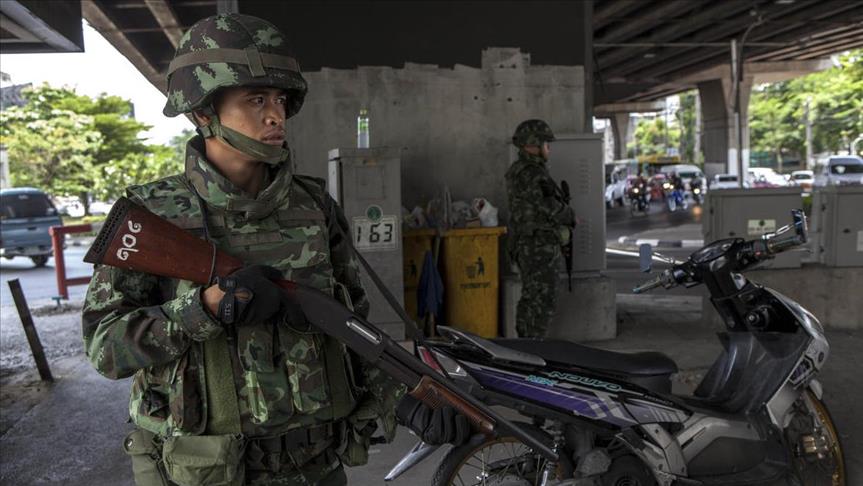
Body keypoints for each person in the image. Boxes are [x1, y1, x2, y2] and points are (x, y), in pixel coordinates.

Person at [82, 14, 465, 486]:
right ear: (203, 112)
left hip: (317, 464)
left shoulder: (314, 206)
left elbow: (350, 323)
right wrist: (206, 309)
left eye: (281, 99)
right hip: (209, 471)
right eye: (256, 99)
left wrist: (403, 397)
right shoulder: (152, 215)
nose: (275, 115)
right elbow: (105, 349)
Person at [505, 119, 575, 338]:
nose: (549, 148)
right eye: (546, 143)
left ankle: (526, 346)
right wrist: (570, 216)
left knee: (531, 296)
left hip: (528, 243)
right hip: (538, 245)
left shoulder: (520, 170)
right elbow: (549, 208)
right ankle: (533, 348)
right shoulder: (532, 173)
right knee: (542, 299)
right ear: (533, 144)